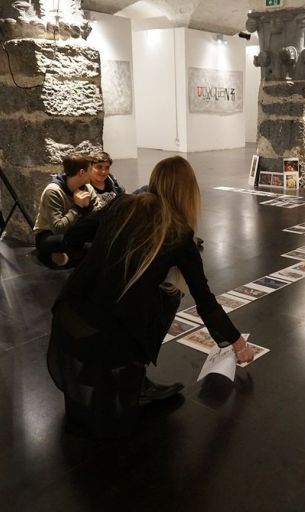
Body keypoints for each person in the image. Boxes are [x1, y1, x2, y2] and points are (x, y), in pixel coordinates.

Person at [48, 156, 255, 438]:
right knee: (169, 295)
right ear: (188, 193)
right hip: (105, 337)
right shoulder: (179, 234)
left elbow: (73, 235)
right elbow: (204, 300)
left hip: (66, 318)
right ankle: (134, 371)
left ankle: (134, 375)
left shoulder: (122, 203)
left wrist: (99, 259)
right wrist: (237, 343)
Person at [33, 153, 99, 268]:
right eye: (90, 170)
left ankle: (68, 255)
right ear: (82, 172)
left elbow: (98, 215)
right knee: (64, 241)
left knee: (101, 233)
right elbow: (58, 228)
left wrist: (88, 207)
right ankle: (67, 254)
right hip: (49, 234)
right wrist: (77, 207)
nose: (93, 173)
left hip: (75, 231)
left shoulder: (88, 188)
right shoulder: (53, 191)